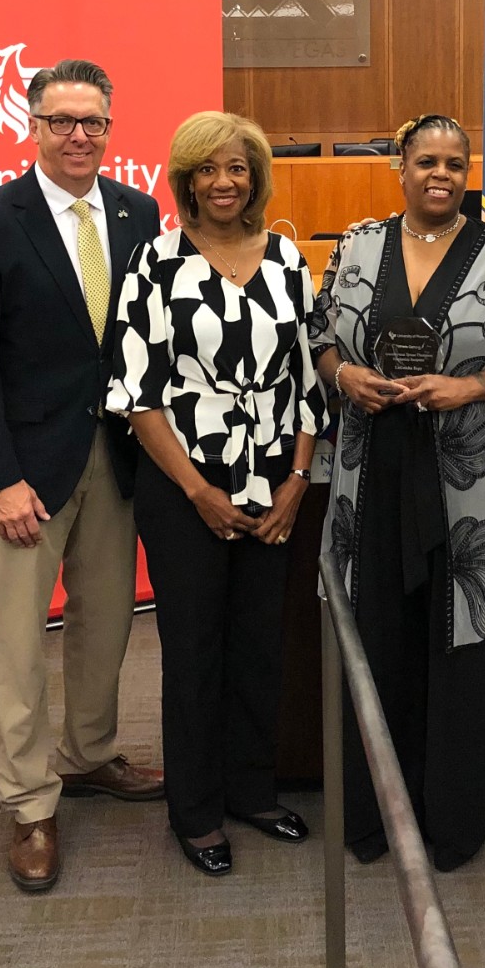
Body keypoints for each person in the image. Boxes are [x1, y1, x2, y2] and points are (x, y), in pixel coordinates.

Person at [310, 113, 485, 872]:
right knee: (375, 642)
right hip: (372, 477)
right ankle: (371, 817)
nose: (441, 175)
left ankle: (450, 822)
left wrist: (472, 388)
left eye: (456, 163)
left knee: (462, 653)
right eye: (426, 160)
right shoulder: (357, 245)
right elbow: (321, 338)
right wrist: (342, 374)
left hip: (472, 488)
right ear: (401, 165)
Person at [0, 59, 163, 894]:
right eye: (62, 120)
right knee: (22, 647)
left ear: (111, 127)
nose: (78, 135)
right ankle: (31, 803)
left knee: (106, 624)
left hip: (118, 458)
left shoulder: (140, 214)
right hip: (26, 473)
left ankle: (91, 754)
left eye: (93, 122)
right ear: (30, 125)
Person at [107, 111, 327, 877]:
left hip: (274, 486)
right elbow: (137, 398)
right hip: (182, 489)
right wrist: (199, 491)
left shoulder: (287, 260)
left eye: (237, 167)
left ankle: (252, 791)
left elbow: (308, 381)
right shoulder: (155, 262)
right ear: (186, 180)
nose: (224, 182)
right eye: (208, 169)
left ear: (255, 176)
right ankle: (196, 812)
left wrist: (298, 481)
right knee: (194, 653)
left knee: (260, 648)